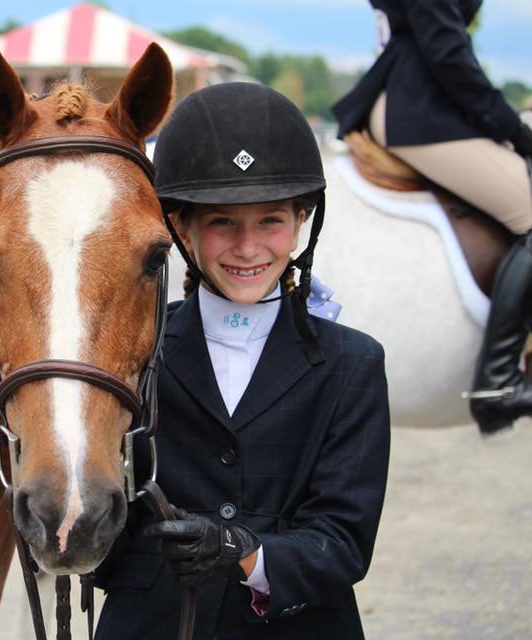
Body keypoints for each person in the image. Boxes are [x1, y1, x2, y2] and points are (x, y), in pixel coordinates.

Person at [93, 83, 391, 640]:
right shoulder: (131, 348)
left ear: (301, 222)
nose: (249, 248)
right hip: (153, 621)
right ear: (183, 229)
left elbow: (345, 541)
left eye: (270, 222)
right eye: (224, 222)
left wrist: (242, 553)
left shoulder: (353, 364)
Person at [332, 0, 532, 435]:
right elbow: (446, 49)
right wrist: (511, 127)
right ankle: (499, 380)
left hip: (428, 103)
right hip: (422, 109)